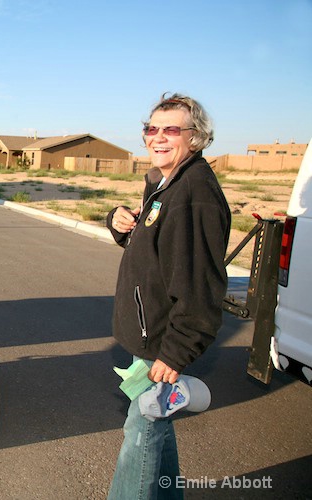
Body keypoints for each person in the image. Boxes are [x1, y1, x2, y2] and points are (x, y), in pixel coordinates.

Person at [106, 93, 231, 499]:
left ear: (196, 138)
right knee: (156, 428)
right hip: (152, 335)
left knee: (139, 438)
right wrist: (121, 224)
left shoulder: (193, 194)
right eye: (152, 128)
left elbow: (200, 286)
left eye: (172, 129)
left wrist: (175, 352)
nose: (158, 137)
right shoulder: (166, 183)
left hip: (161, 341)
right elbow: (159, 254)